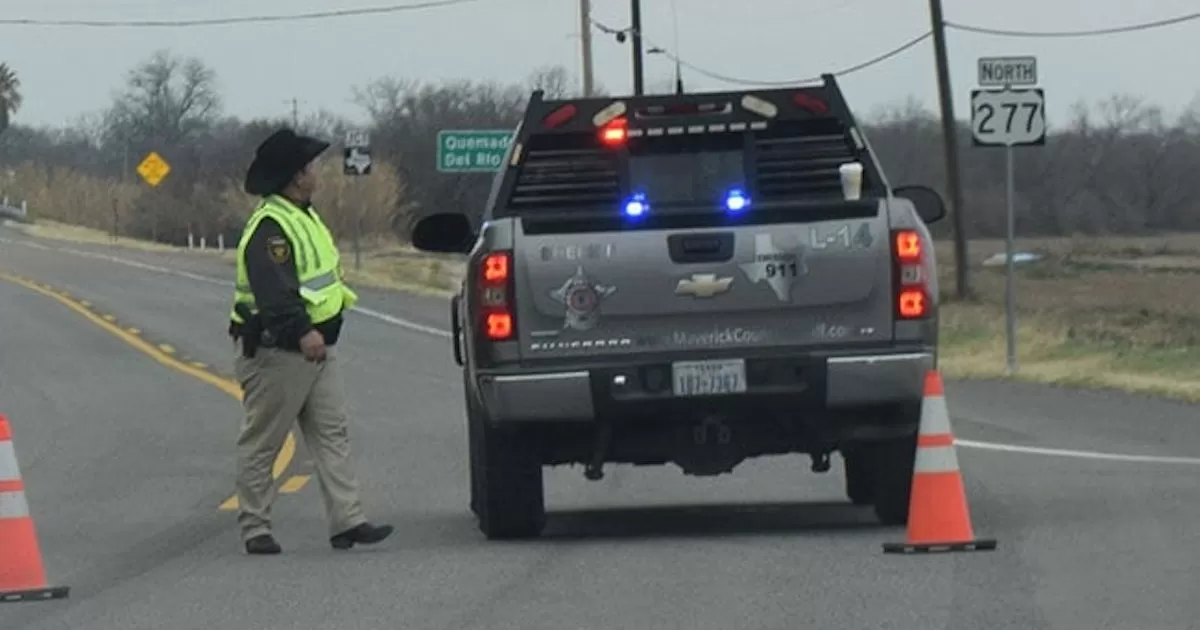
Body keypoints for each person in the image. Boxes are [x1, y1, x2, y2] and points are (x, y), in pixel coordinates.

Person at [228, 127, 393, 555]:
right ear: (295, 176)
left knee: (332, 434)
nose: (317, 171)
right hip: (277, 351)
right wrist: (302, 332)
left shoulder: (303, 215)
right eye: (310, 165)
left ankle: (348, 521)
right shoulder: (271, 228)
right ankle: (255, 527)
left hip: (317, 348)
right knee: (264, 441)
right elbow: (275, 292)